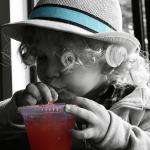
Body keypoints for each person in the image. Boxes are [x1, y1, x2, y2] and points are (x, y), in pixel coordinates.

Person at [1, 0, 150, 149]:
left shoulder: (139, 108)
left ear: (107, 61)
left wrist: (114, 135)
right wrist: (17, 112)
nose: (49, 72)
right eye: (42, 57)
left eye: (68, 60)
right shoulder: (41, 103)